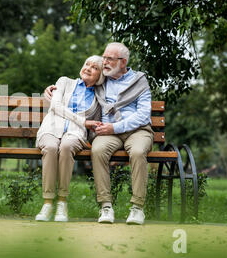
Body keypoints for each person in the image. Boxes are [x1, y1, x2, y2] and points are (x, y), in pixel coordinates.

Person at [45, 43, 154, 225]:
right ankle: (106, 206)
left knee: (137, 152)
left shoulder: (139, 81)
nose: (105, 62)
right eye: (104, 58)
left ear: (123, 62)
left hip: (138, 131)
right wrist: (51, 90)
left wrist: (115, 127)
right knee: (97, 150)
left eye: (109, 59)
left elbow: (143, 115)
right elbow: (79, 85)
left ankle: (137, 208)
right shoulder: (102, 80)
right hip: (108, 132)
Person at [35, 56, 104, 222]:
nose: (88, 68)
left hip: (75, 134)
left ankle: (62, 202)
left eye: (94, 67)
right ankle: (47, 203)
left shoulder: (99, 96)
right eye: (87, 64)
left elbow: (96, 124)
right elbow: (56, 106)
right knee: (51, 148)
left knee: (66, 147)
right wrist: (83, 122)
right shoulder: (64, 82)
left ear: (100, 76)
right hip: (50, 128)